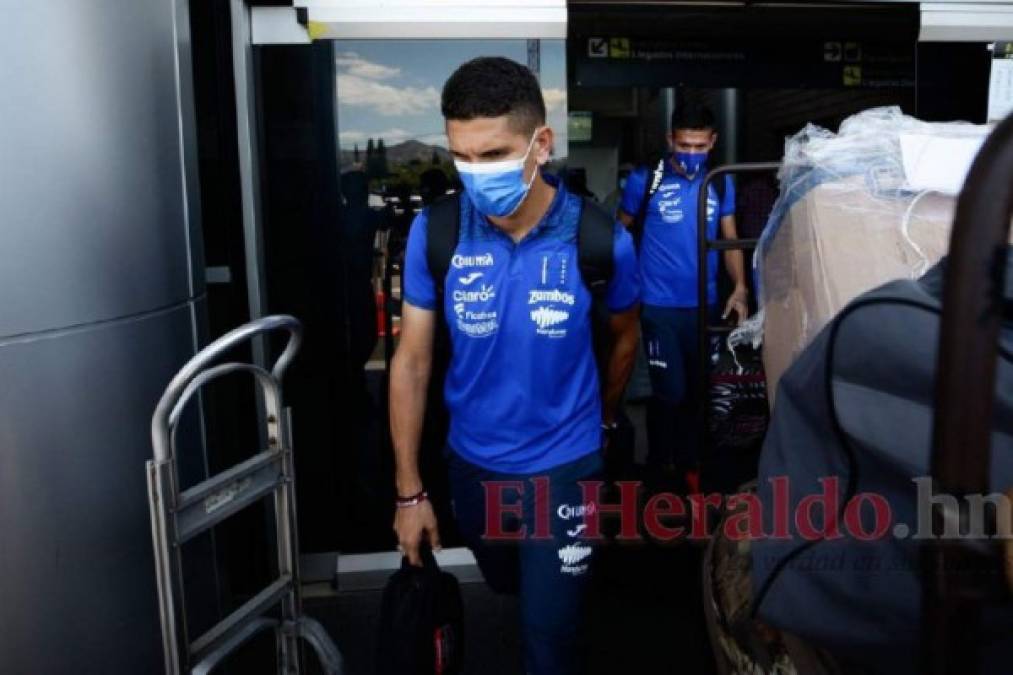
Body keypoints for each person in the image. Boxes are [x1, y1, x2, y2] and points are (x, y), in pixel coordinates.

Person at [389, 57, 641, 674]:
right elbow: (413, 362)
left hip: (565, 468)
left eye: (494, 154)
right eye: (462, 157)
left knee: (549, 639)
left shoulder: (601, 240)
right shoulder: (437, 232)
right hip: (472, 465)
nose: (478, 175)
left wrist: (598, 424)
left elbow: (625, 341)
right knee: (505, 582)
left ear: (541, 143)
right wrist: (409, 492)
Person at [617, 103, 749, 490]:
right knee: (669, 392)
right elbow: (619, 232)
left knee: (696, 393)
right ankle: (658, 466)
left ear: (713, 142)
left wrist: (740, 288)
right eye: (684, 145)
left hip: (705, 307)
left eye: (699, 146)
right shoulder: (648, 179)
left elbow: (731, 240)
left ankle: (690, 466)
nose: (691, 154)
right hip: (658, 307)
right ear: (670, 140)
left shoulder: (719, 182)